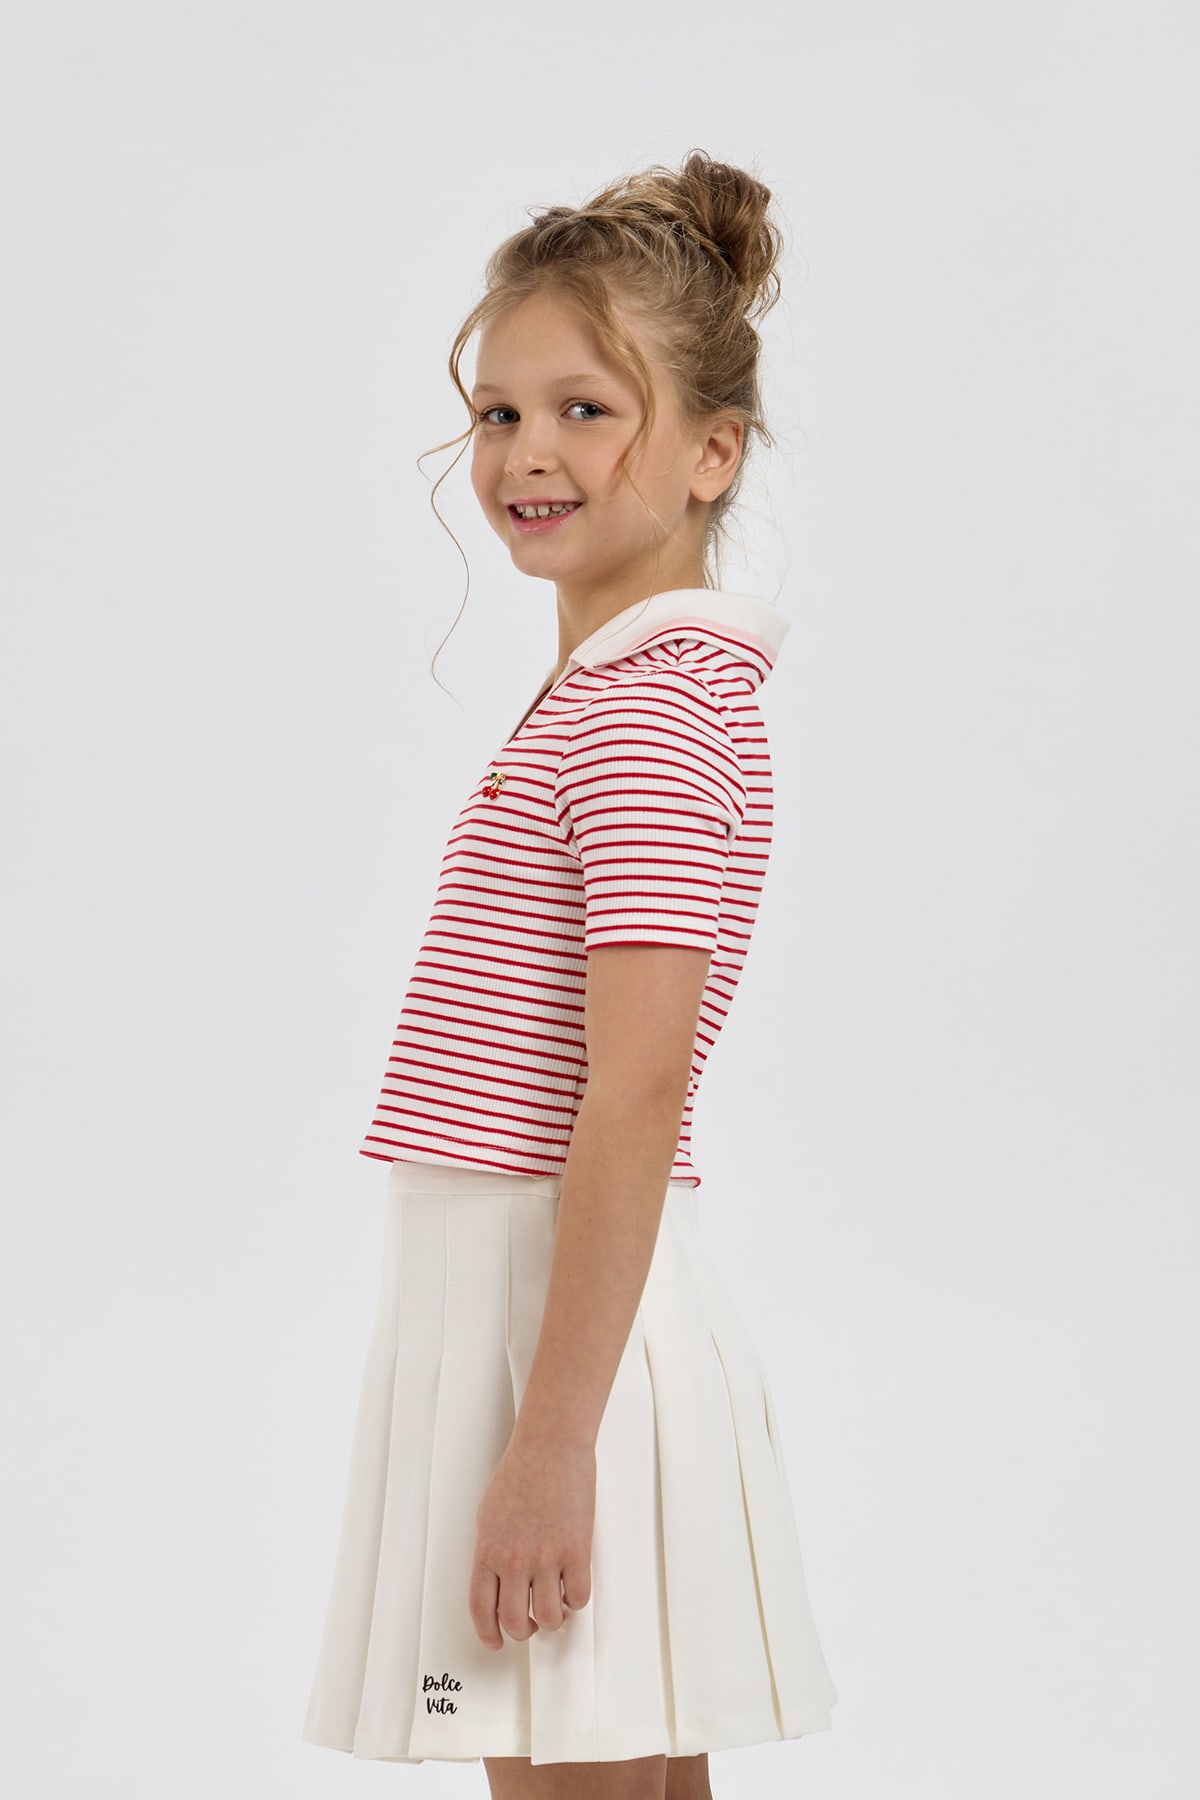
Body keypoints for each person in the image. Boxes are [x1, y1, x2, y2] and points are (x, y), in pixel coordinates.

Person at [301, 148, 838, 1800]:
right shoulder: (620, 697)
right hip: (542, 1314)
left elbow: (637, 1087)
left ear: (712, 452)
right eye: (500, 411)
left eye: (587, 410)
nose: (528, 451)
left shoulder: (649, 711)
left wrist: (550, 1442)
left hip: (556, 1328)